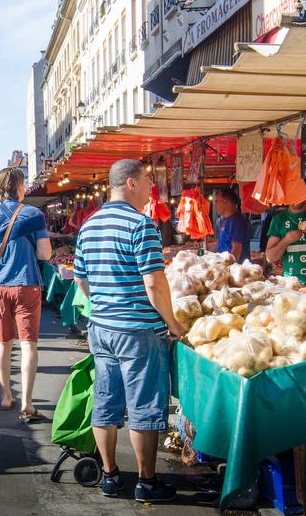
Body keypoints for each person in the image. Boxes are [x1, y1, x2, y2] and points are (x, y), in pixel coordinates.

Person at [72, 159, 185, 502]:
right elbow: (154, 285)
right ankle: (146, 482)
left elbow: (80, 278)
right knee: (145, 407)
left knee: (105, 403)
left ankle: (110, 476)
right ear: (131, 183)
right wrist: (174, 324)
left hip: (101, 328)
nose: (152, 189)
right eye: (149, 182)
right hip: (138, 331)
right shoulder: (142, 225)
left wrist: (105, 303)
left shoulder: (89, 226)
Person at [0, 167, 51, 421]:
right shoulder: (34, 214)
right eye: (24, 185)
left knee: (3, 344)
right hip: (27, 284)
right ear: (18, 187)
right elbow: (45, 254)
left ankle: (6, 396)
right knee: (29, 345)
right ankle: (27, 402)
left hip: (0, 286)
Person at [214, 189, 251, 263]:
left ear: (225, 202)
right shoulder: (219, 221)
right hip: (222, 263)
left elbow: (237, 248)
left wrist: (228, 267)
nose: (215, 205)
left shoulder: (237, 220)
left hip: (235, 268)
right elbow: (219, 243)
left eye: (217, 201)